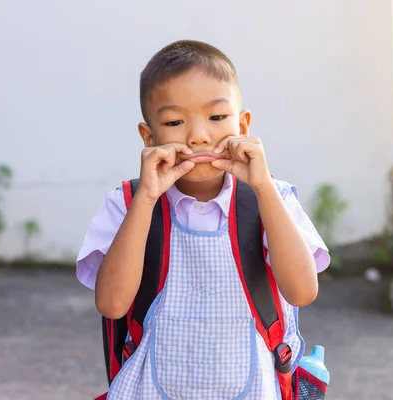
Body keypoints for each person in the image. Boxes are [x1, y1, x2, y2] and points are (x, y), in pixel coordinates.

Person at [76, 39, 330, 399]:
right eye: (175, 121)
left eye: (217, 117)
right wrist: (147, 199)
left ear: (243, 125)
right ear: (149, 137)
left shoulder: (274, 198)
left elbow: (302, 292)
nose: (198, 135)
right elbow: (112, 305)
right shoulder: (127, 203)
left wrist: (262, 187)